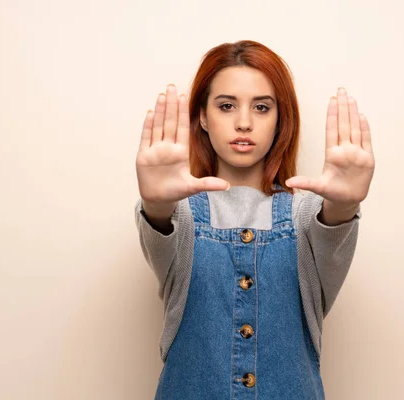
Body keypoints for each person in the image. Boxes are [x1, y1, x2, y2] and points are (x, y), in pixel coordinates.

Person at [134, 40, 375, 399]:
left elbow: (331, 228)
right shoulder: (179, 213)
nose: (244, 123)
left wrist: (344, 205)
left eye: (262, 107)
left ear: (280, 120)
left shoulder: (305, 214)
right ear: (202, 116)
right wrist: (154, 203)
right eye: (226, 106)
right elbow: (160, 226)